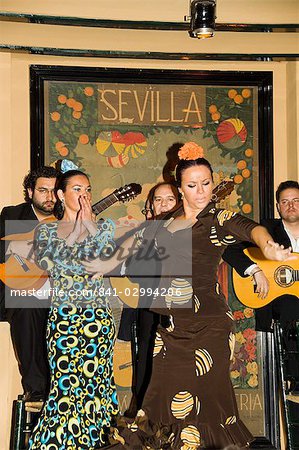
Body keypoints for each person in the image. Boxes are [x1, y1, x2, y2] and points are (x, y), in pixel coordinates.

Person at [84, 142, 295, 449]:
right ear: (180, 188)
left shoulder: (217, 219)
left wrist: (268, 246)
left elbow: (250, 229)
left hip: (209, 325)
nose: (201, 191)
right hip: (170, 328)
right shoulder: (163, 225)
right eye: (192, 185)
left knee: (209, 404)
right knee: (159, 400)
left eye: (206, 184)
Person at [23, 170, 119, 449]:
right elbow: (54, 264)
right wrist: (78, 231)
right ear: (61, 195)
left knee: (96, 391)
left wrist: (90, 229)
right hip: (65, 322)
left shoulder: (106, 228)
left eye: (87, 189)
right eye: (76, 189)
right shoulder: (46, 231)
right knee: (66, 392)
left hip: (98, 322)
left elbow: (105, 264)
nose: (84, 195)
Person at [223, 180, 299, 388]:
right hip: (276, 304)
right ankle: (294, 378)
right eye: (285, 202)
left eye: (296, 201)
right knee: (290, 303)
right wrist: (255, 271)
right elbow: (229, 248)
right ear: (278, 207)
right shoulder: (267, 230)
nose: (291, 206)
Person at [118, 182, 181, 416]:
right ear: (151, 205)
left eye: (170, 199)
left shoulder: (192, 228)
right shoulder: (144, 231)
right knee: (147, 354)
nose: (163, 204)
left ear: (180, 202)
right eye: (158, 199)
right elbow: (132, 269)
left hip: (184, 306)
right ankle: (145, 412)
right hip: (151, 303)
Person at [0, 166, 59, 404]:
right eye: (43, 191)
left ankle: (65, 388)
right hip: (17, 288)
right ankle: (37, 390)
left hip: (53, 292)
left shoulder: (67, 220)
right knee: (26, 304)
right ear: (30, 191)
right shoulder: (13, 215)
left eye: (55, 191)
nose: (50, 197)